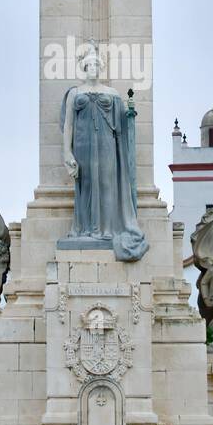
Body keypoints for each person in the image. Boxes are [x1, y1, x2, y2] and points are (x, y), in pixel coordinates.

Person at [60, 43, 147, 262]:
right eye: (89, 65)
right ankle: (87, 229)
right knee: (87, 185)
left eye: (97, 65)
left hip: (107, 144)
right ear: (84, 67)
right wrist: (67, 153)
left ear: (101, 68)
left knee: (108, 184)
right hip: (82, 146)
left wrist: (130, 117)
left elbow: (122, 125)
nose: (93, 68)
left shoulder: (112, 93)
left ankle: (108, 230)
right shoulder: (75, 93)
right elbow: (68, 125)